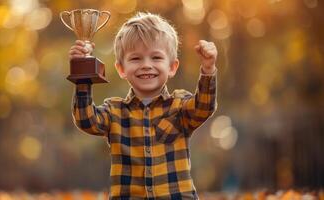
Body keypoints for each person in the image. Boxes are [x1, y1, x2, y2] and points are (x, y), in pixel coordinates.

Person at [69, 12, 218, 199]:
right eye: (136, 59)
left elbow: (204, 107)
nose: (146, 65)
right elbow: (86, 120)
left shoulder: (180, 106)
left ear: (172, 67)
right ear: (121, 69)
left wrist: (208, 70)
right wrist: (82, 72)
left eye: (156, 58)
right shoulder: (114, 111)